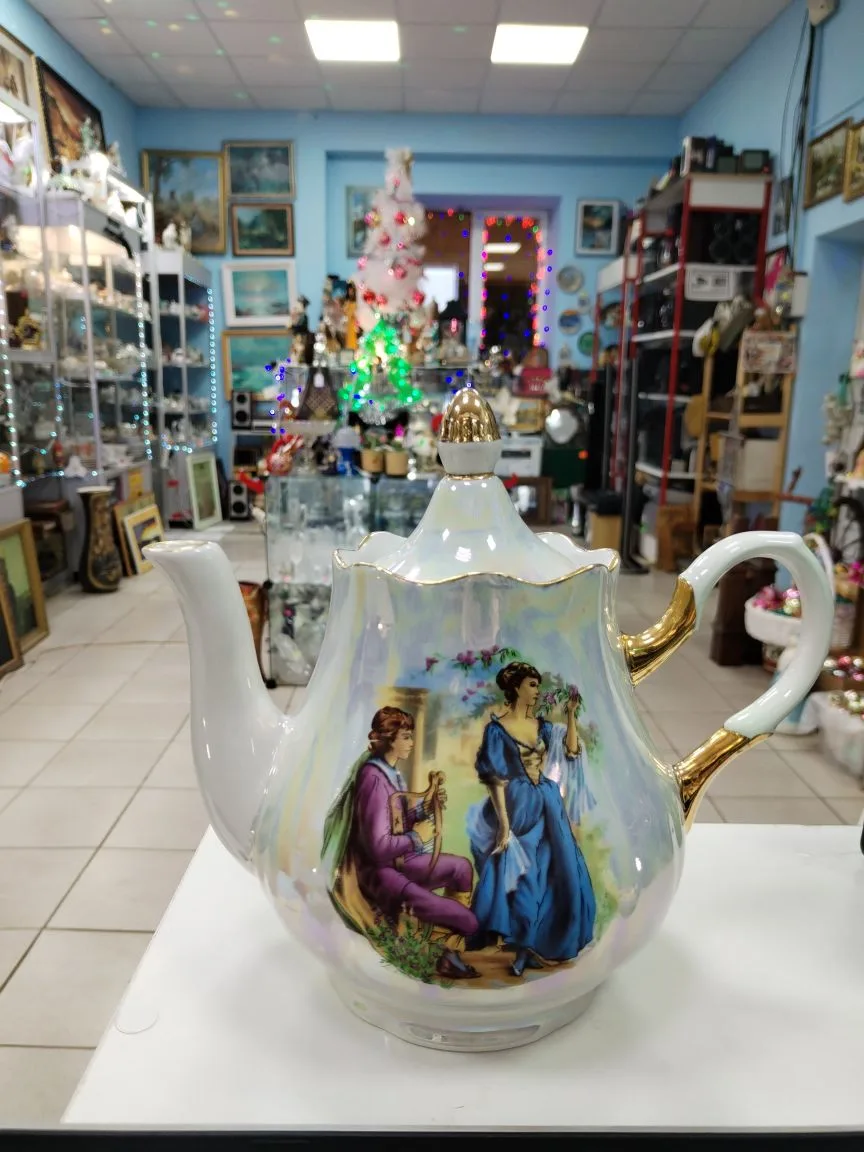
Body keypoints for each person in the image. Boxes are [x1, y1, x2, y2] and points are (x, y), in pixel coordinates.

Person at [325, 706, 480, 981]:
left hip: (399, 863)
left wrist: (423, 810)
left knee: (462, 869)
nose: (411, 742)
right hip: (379, 874)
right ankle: (433, 949)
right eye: (406, 737)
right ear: (389, 739)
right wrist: (416, 837)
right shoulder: (374, 779)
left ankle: (447, 953)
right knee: (468, 921)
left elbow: (396, 821)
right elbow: (377, 847)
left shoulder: (391, 773)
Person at [469, 662, 596, 977]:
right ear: (516, 688)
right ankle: (520, 946)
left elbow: (571, 751)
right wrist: (504, 824)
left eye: (538, 685)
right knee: (524, 877)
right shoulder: (497, 730)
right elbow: (494, 779)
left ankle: (532, 946)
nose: (537, 691)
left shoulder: (543, 727)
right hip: (518, 806)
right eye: (532, 685)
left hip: (548, 804)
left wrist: (570, 715)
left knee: (553, 872)